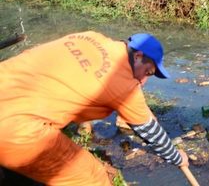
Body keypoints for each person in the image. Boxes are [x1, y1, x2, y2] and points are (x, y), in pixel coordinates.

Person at [0, 31, 189, 185]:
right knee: (92, 176)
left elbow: (81, 80)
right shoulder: (122, 82)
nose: (143, 81)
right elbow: (149, 131)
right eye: (147, 72)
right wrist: (176, 156)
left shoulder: (91, 38)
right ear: (138, 57)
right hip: (13, 128)